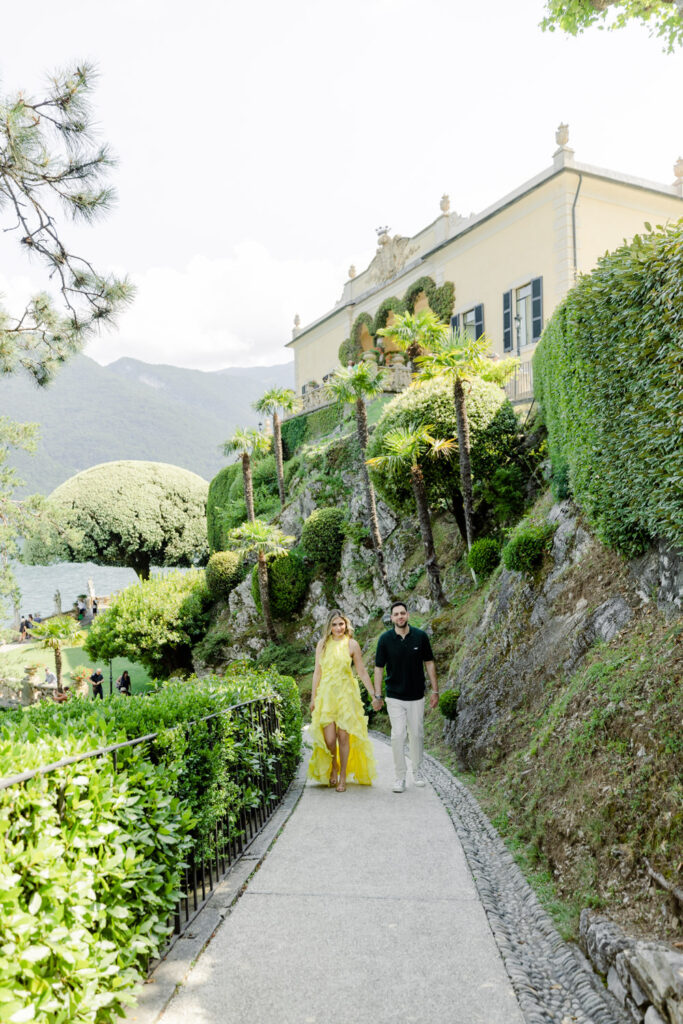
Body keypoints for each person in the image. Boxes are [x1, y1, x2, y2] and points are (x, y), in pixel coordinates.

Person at [308, 610, 379, 793]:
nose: (338, 628)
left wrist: (373, 695)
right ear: (329, 627)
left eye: (341, 624)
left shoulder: (352, 644)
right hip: (327, 695)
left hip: (346, 694)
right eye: (334, 624)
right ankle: (334, 765)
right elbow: (317, 672)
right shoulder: (322, 645)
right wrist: (313, 698)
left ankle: (343, 777)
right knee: (330, 740)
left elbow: (362, 672)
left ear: (346, 624)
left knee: (343, 737)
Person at [374, 601, 439, 793]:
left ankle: (418, 772)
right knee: (398, 735)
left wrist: (435, 691)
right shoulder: (385, 640)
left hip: (417, 695)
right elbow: (378, 669)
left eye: (403, 613)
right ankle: (399, 777)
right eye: (396, 614)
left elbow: (429, 664)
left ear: (407, 615)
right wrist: (377, 695)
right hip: (394, 696)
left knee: (417, 734)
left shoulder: (420, 637)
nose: (400, 616)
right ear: (392, 618)